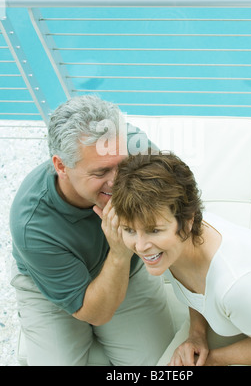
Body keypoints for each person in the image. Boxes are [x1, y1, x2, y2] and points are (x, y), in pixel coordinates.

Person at [10, 95, 176, 366]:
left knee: (156, 366)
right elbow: (95, 313)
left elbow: (181, 209)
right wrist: (120, 250)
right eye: (101, 172)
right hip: (50, 288)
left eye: (122, 165)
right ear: (61, 166)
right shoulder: (32, 224)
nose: (118, 181)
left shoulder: (136, 148)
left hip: (129, 273)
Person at [108, 151, 251, 366]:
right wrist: (196, 334)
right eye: (129, 230)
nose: (141, 246)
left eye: (154, 230)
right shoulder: (174, 246)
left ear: (188, 221)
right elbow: (199, 293)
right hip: (243, 321)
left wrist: (212, 361)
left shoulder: (238, 284)